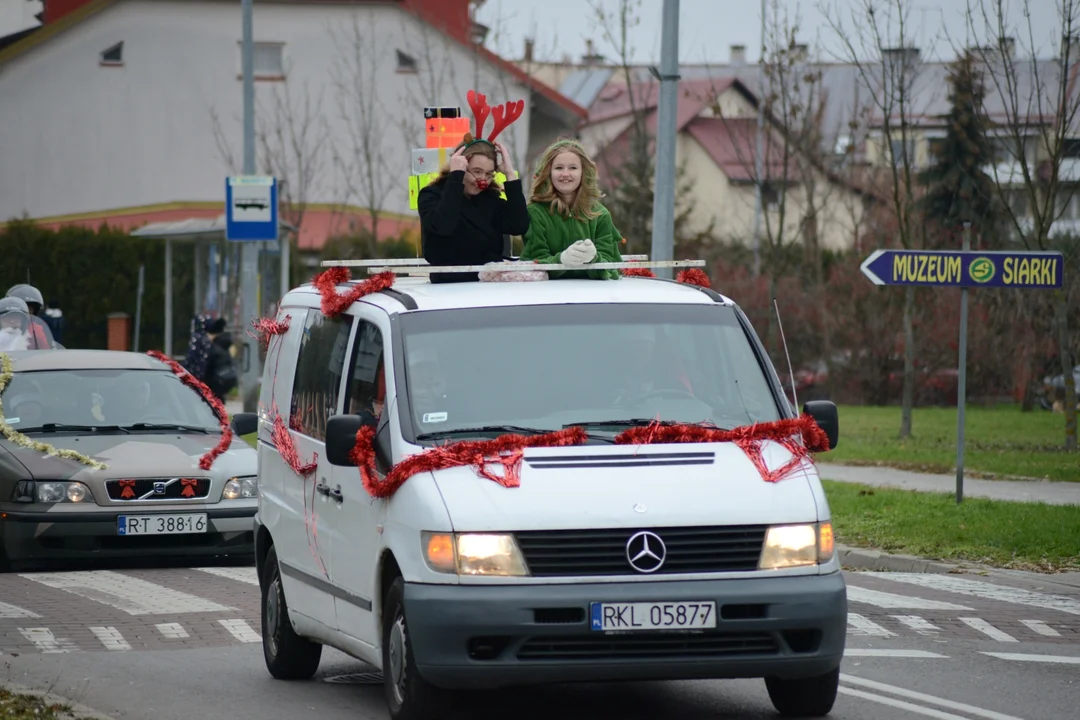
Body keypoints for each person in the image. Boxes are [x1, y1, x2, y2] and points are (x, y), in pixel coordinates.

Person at [418, 90, 530, 283]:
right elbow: (442, 226)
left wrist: (510, 177)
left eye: (488, 174)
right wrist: (455, 178)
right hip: (448, 286)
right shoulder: (431, 195)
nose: (482, 180)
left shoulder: (490, 199)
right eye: (477, 171)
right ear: (460, 164)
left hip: (487, 283)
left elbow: (519, 224)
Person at [520, 138, 624, 280]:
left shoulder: (600, 214)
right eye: (559, 168)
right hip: (546, 297)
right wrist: (561, 260)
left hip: (593, 298)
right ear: (548, 172)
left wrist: (594, 258)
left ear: (583, 172)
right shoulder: (535, 213)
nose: (565, 174)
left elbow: (612, 268)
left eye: (573, 168)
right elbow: (533, 262)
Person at [5, 284, 56, 348]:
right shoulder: (2, 328)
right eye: (22, 310)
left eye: (30, 309)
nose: (26, 313)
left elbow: (46, 352)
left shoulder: (36, 329)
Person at [204, 317, 237, 402]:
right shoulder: (225, 344)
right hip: (224, 380)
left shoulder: (213, 348)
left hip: (214, 383)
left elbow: (207, 366)